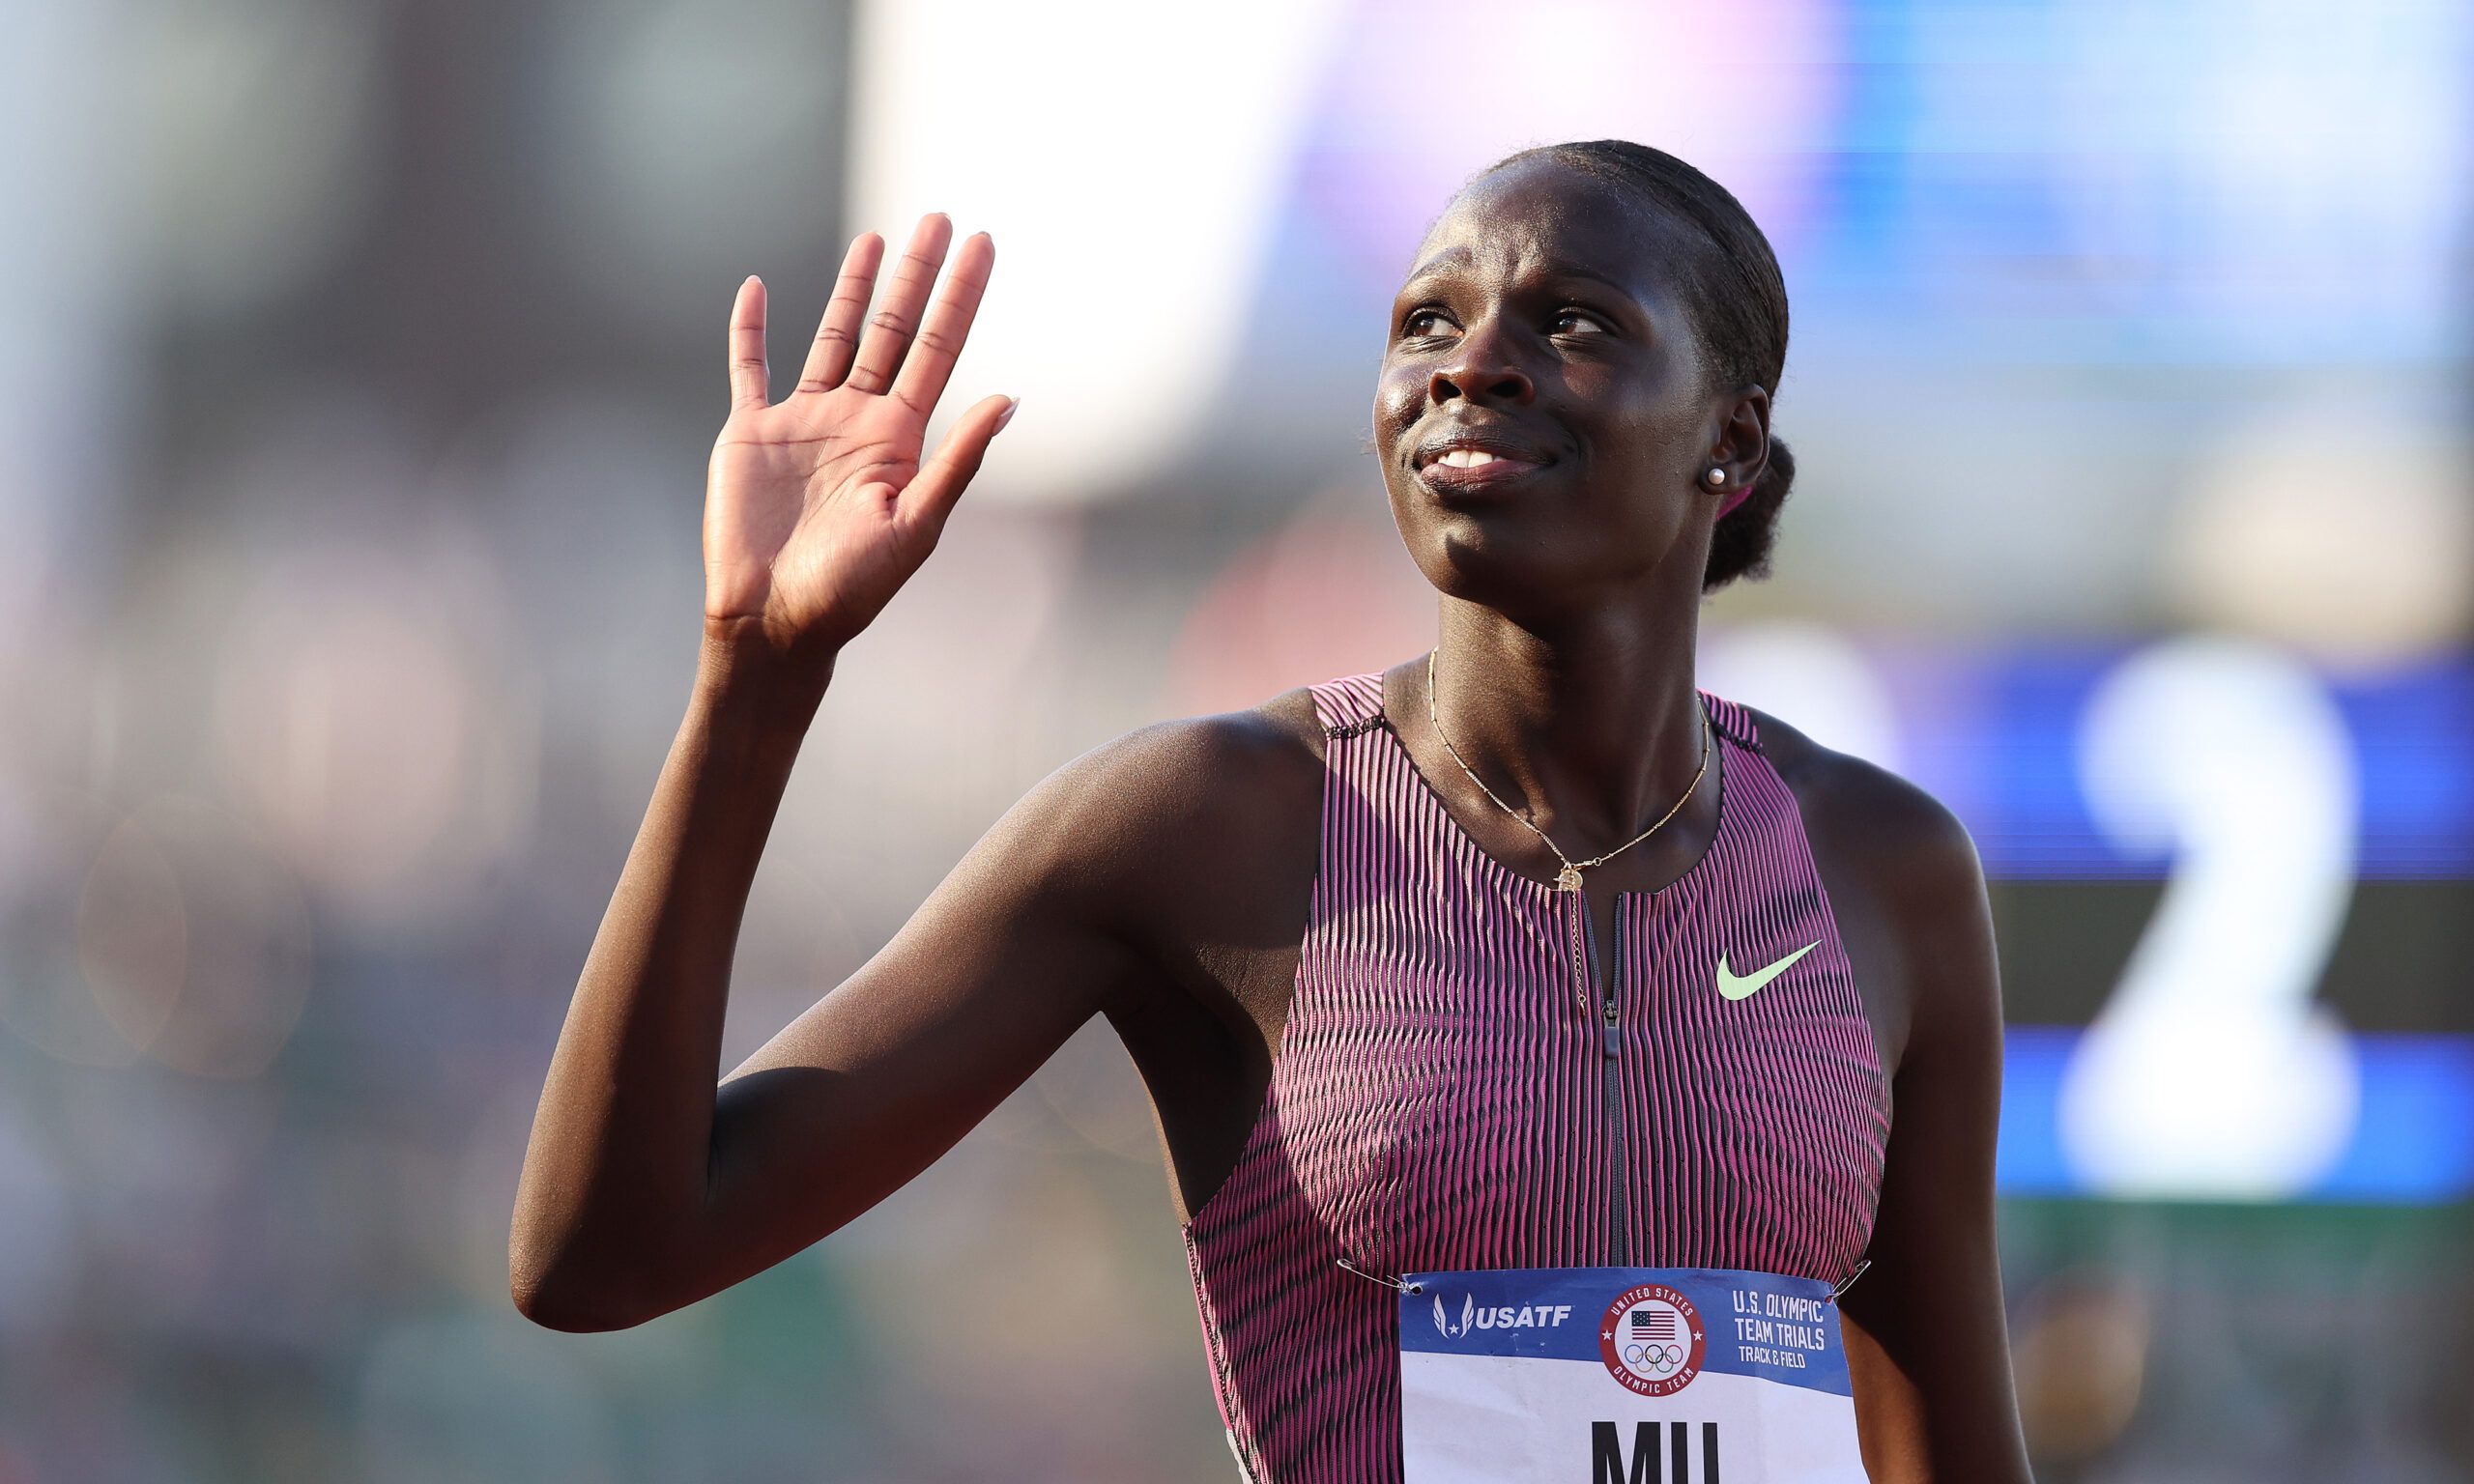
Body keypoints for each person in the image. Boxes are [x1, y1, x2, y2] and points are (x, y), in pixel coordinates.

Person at [509, 138, 2034, 1482]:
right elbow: (605, 1254)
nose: (1470, 363)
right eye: (1427, 321)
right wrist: (754, 681)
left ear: (1731, 442)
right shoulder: (1210, 828)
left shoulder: (1879, 870)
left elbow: (1949, 1452)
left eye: (1569, 323)